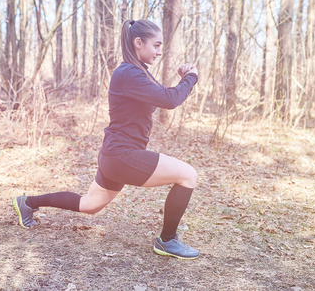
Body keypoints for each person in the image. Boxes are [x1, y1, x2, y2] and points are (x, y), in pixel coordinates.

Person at [13, 19, 200, 260]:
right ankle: (167, 240)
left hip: (114, 154)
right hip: (122, 155)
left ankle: (27, 202)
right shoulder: (129, 73)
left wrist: (183, 80)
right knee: (188, 175)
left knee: (90, 204)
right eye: (156, 45)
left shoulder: (137, 72)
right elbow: (171, 100)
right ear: (138, 42)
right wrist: (191, 77)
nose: (159, 51)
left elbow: (165, 94)